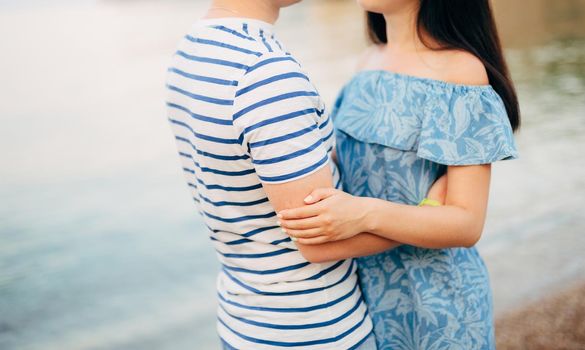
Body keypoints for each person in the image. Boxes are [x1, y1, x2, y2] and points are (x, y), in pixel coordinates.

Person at [165, 0, 448, 348]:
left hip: (243, 323)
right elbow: (320, 244)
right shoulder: (265, 74)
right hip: (315, 328)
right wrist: (425, 212)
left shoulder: (191, 50)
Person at [278, 0, 520, 349]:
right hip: (364, 296)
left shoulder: (460, 71)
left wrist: (364, 213)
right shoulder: (367, 62)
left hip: (440, 301)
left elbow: (467, 224)